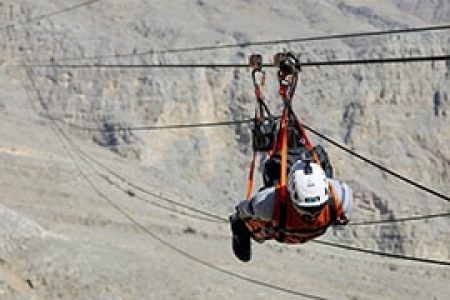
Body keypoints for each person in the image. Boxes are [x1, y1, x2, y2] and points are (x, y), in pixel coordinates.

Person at [229, 159, 352, 262]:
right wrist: (238, 223)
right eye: (305, 209)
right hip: (281, 227)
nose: (311, 215)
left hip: (287, 230)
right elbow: (243, 210)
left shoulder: (341, 197)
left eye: (317, 208)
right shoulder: (266, 204)